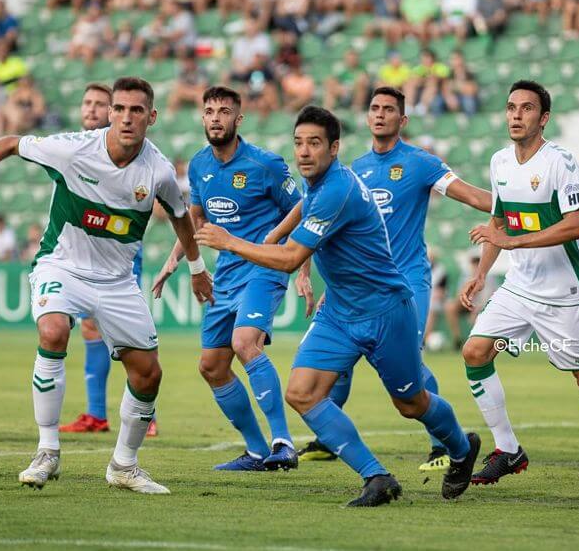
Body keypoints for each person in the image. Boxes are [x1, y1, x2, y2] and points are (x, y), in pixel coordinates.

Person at [0, 76, 214, 494]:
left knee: (148, 375)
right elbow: (11, 142)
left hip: (117, 280)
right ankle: (47, 451)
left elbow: (180, 216)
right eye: (119, 109)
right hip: (61, 265)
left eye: (136, 110)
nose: (125, 117)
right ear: (109, 112)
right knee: (53, 330)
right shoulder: (73, 149)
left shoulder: (157, 171)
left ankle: (124, 465)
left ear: (151, 117)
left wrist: (196, 267)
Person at [195, 105, 481, 506]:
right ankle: (376, 476)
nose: (304, 152)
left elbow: (293, 256)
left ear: (334, 148)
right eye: (298, 143)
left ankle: (462, 449)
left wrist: (232, 242)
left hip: (385, 311)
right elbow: (300, 212)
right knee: (302, 392)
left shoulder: (338, 189)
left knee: (410, 402)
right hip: (340, 314)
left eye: (314, 143)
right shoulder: (319, 184)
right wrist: (275, 242)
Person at [269, 87, 491, 470]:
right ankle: (328, 435)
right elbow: (310, 211)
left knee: (412, 370)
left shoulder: (420, 163)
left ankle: (443, 445)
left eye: (389, 109)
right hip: (355, 285)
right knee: (332, 361)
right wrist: (305, 267)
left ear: (402, 120)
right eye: (374, 108)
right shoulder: (352, 170)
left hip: (406, 282)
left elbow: (471, 196)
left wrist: (516, 212)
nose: (380, 114)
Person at [461, 80, 579, 491]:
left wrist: (513, 241)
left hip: (563, 294)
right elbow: (499, 224)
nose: (516, 115)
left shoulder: (561, 161)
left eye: (526, 109)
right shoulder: (499, 162)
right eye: (511, 108)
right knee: (474, 352)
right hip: (519, 286)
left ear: (543, 119)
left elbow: (577, 225)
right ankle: (508, 450)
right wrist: (482, 274)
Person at [153, 86, 304, 472]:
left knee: (244, 342)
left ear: (239, 119)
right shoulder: (200, 166)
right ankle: (256, 451)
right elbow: (196, 219)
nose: (216, 117)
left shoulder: (265, 165)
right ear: (202, 118)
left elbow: (305, 209)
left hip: (265, 268)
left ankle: (283, 443)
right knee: (211, 366)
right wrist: (177, 261)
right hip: (226, 275)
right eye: (209, 111)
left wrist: (301, 267)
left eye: (224, 111)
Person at [59, 82, 152, 436]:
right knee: (89, 327)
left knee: (122, 331)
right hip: (79, 255)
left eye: (100, 104)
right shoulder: (71, 148)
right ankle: (96, 413)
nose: (92, 110)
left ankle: (144, 411)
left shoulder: (125, 152)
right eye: (87, 103)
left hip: (117, 255)